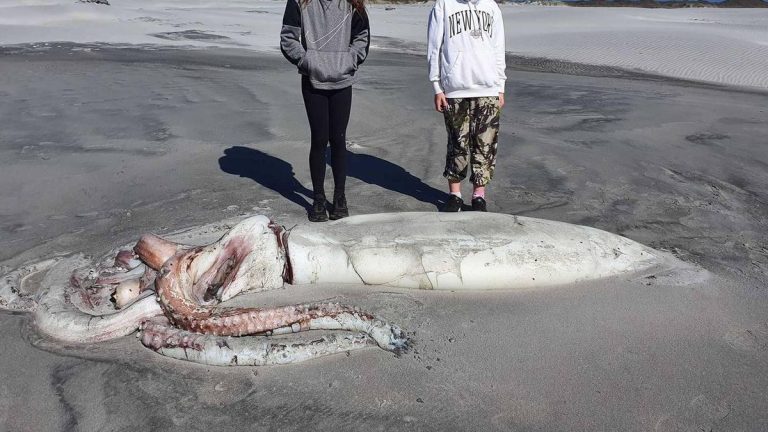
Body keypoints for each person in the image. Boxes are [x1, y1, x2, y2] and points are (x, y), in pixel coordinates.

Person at [280, 0, 370, 221]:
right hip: (313, 81)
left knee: (339, 140)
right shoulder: (300, 2)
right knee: (319, 140)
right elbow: (288, 38)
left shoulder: (352, 3)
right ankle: (318, 198)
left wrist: (349, 61)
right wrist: (307, 61)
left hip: (342, 79)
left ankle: (340, 198)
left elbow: (362, 38)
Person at [427, 0, 506, 212]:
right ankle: (455, 194)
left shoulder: (491, 7)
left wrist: (500, 86)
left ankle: (479, 196)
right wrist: (437, 86)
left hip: (488, 88)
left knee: (485, 145)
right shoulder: (443, 5)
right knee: (457, 143)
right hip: (455, 89)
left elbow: (499, 48)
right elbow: (434, 47)